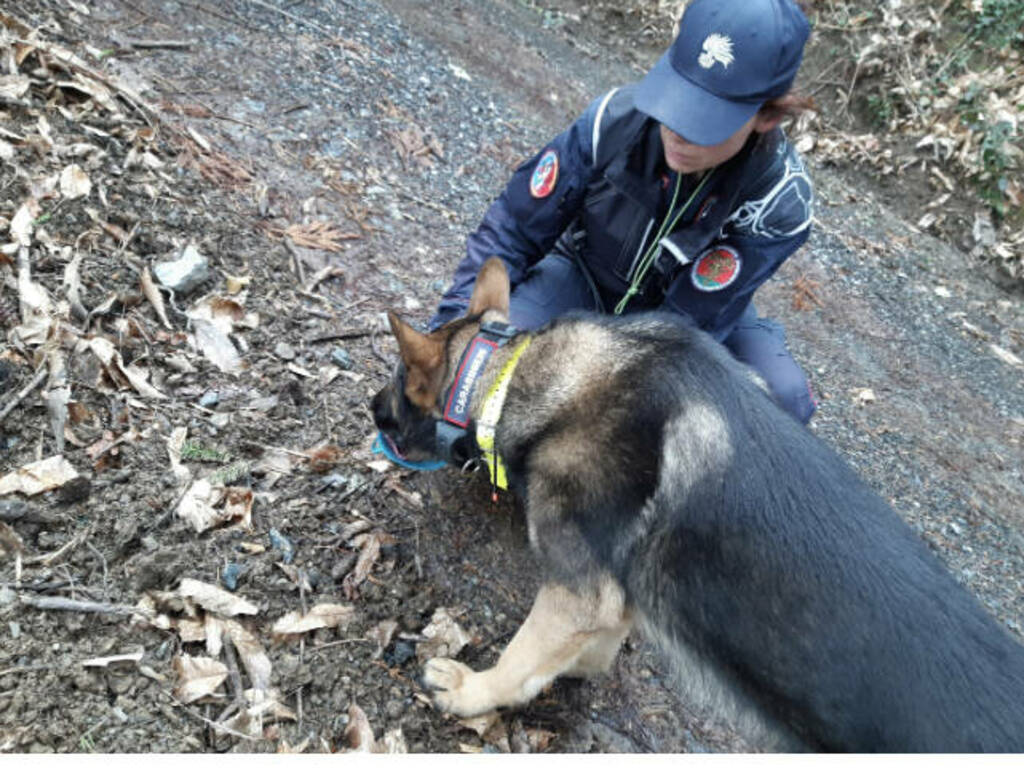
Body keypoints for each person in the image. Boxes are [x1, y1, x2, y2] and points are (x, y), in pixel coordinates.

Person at [430, 0, 817, 424]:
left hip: (690, 321)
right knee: (480, 376)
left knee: (781, 401)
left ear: (767, 115)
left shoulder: (779, 204)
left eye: (705, 119)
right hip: (583, 275)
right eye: (678, 100)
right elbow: (513, 230)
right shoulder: (613, 122)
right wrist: (452, 341)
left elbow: (683, 331)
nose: (677, 130)